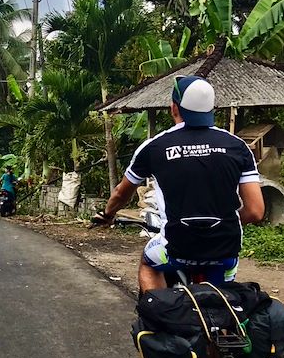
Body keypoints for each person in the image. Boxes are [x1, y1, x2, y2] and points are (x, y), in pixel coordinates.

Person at [94, 75, 264, 293]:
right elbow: (256, 211)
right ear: (211, 109)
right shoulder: (237, 146)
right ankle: (222, 327)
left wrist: (108, 215)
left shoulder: (154, 148)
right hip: (225, 251)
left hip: (176, 248)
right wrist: (222, 222)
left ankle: (157, 317)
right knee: (222, 302)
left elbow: (121, 193)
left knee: (148, 264)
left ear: (174, 108)